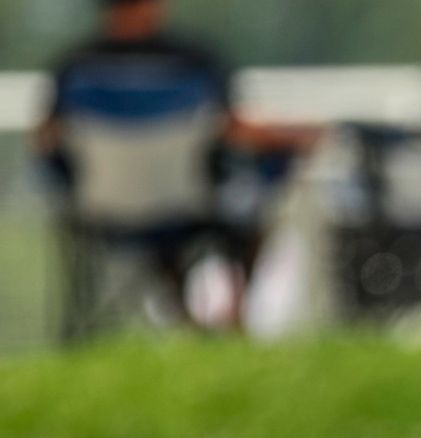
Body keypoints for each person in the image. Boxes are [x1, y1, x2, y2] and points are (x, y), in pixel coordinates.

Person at [36, 0, 316, 330]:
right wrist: (296, 137)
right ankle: (232, 315)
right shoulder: (193, 63)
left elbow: (47, 142)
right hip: (188, 206)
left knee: (163, 230)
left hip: (101, 213)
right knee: (251, 196)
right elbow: (234, 129)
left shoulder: (74, 69)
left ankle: (189, 320)